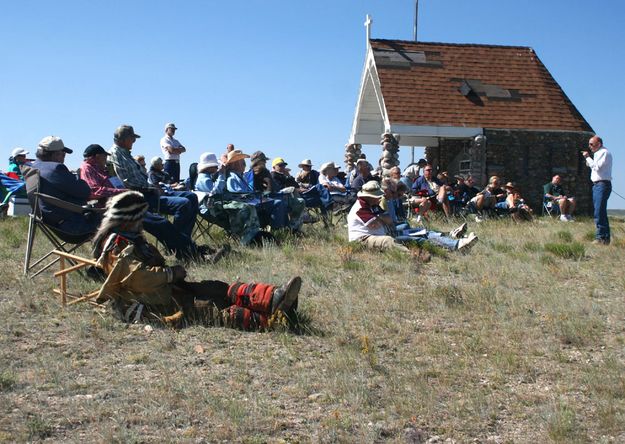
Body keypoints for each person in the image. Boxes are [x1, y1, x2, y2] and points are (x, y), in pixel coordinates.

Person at [93, 191, 302, 330]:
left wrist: (171, 275)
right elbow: (138, 279)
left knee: (217, 288)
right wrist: (171, 273)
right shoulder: (116, 245)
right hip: (145, 301)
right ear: (130, 218)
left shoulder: (132, 237)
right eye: (140, 216)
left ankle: (274, 297)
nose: (143, 221)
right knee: (206, 308)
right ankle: (273, 321)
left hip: (163, 290)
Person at [78, 143, 218, 261]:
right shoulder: (87, 168)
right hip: (117, 210)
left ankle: (190, 250)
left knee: (162, 222)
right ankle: (192, 252)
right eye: (104, 156)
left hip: (126, 204)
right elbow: (94, 191)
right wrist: (123, 192)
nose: (105, 158)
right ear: (96, 157)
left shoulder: (100, 169)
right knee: (161, 222)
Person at [109, 124, 198, 240]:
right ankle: (178, 242)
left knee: (192, 196)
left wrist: (154, 187)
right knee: (184, 203)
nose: (134, 141)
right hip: (141, 196)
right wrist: (152, 188)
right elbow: (127, 182)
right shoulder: (115, 155)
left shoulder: (125, 153)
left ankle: (183, 239)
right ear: (124, 139)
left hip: (150, 190)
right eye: (132, 138)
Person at [195, 152, 269, 245]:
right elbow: (216, 192)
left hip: (218, 203)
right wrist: (221, 175)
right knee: (247, 207)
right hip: (211, 208)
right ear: (209, 167)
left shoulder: (209, 176)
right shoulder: (203, 179)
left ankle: (250, 236)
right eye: (215, 166)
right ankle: (246, 238)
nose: (216, 168)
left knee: (249, 206)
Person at [27, 136, 98, 234]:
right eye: (63, 155)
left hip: (48, 222)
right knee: (115, 218)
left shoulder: (33, 168)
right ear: (55, 155)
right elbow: (85, 191)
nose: (64, 158)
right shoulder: (55, 168)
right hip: (73, 226)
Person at [583, 135, 613, 244]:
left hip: (602, 185)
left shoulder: (603, 153)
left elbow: (597, 167)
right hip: (598, 185)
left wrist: (587, 157)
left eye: (592, 144)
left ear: (599, 143)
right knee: (599, 211)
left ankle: (601, 237)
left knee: (599, 211)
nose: (589, 146)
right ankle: (604, 237)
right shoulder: (598, 154)